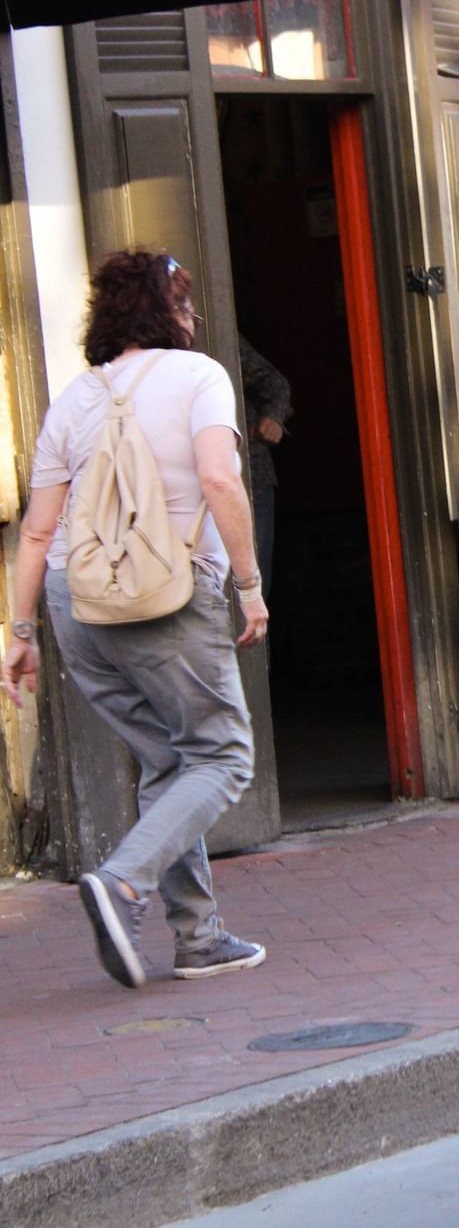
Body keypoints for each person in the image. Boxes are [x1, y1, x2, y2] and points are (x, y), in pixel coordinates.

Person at [2, 251, 270, 989]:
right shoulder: (201, 377)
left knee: (166, 760)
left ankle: (198, 937)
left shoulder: (74, 397)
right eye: (184, 303)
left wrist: (19, 635)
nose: (193, 316)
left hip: (74, 601)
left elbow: (34, 531)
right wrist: (249, 585)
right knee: (222, 756)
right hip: (166, 596)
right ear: (166, 313)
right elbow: (219, 477)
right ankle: (123, 883)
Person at [237, 337, 292, 597]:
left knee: (255, 589)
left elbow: (274, 381)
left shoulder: (223, 341)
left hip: (252, 477)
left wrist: (272, 416)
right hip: (192, 493)